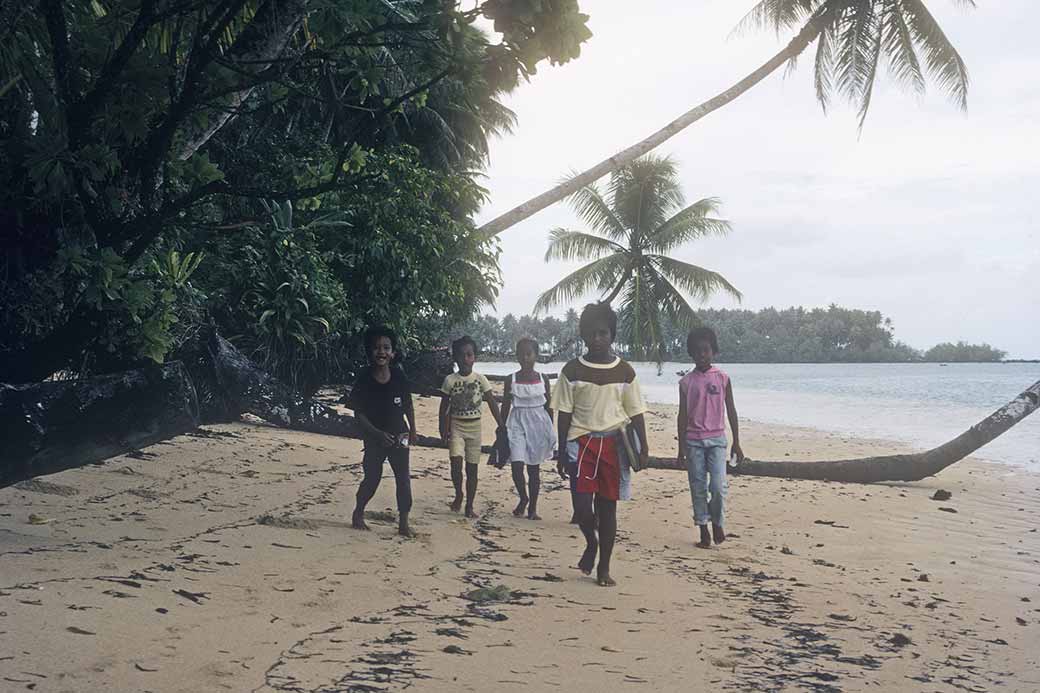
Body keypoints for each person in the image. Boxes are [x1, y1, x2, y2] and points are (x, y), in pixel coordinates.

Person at [552, 303, 649, 587]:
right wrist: (560, 450)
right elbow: (564, 413)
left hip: (614, 445)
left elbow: (636, 411)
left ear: (612, 335)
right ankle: (590, 543)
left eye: (603, 333)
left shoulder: (626, 372)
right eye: (592, 334)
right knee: (583, 509)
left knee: (608, 509)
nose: (597, 339)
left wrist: (644, 447)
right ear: (583, 336)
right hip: (580, 444)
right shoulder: (571, 371)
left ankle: (604, 567)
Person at [677, 327, 743, 549]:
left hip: (717, 440)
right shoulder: (686, 382)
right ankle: (703, 529)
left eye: (705, 350)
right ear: (691, 354)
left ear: (713, 351)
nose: (702, 355)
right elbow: (682, 415)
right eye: (697, 351)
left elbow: (731, 410)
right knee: (697, 487)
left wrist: (737, 442)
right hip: (693, 441)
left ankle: (717, 522)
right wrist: (680, 450)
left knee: (717, 485)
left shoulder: (723, 378)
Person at [350, 326, 417, 537]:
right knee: (372, 478)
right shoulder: (364, 378)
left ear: (393, 353)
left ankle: (404, 522)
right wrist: (378, 434)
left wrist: (413, 430)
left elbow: (408, 405)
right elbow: (358, 414)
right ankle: (358, 512)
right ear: (370, 351)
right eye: (377, 347)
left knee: (403, 477)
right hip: (373, 437)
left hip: (400, 435)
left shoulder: (399, 376)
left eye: (386, 348)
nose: (381, 352)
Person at [439, 336, 502, 518]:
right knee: (456, 463)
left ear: (474, 357)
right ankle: (459, 493)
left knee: (472, 469)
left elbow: (491, 402)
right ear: (456, 359)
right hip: (456, 427)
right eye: (461, 355)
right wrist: (442, 428)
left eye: (469, 355)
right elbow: (443, 407)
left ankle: (470, 505)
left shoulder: (480, 379)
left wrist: (502, 425)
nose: (465, 359)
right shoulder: (450, 380)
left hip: (475, 429)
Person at [501, 338, 556, 520]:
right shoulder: (511, 379)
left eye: (529, 354)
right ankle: (523, 497)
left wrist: (551, 429)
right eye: (521, 354)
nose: (525, 358)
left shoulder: (543, 379)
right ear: (516, 356)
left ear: (536, 356)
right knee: (517, 464)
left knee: (533, 469)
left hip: (539, 423)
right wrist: (501, 429)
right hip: (517, 422)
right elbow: (505, 406)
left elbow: (549, 406)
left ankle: (532, 508)